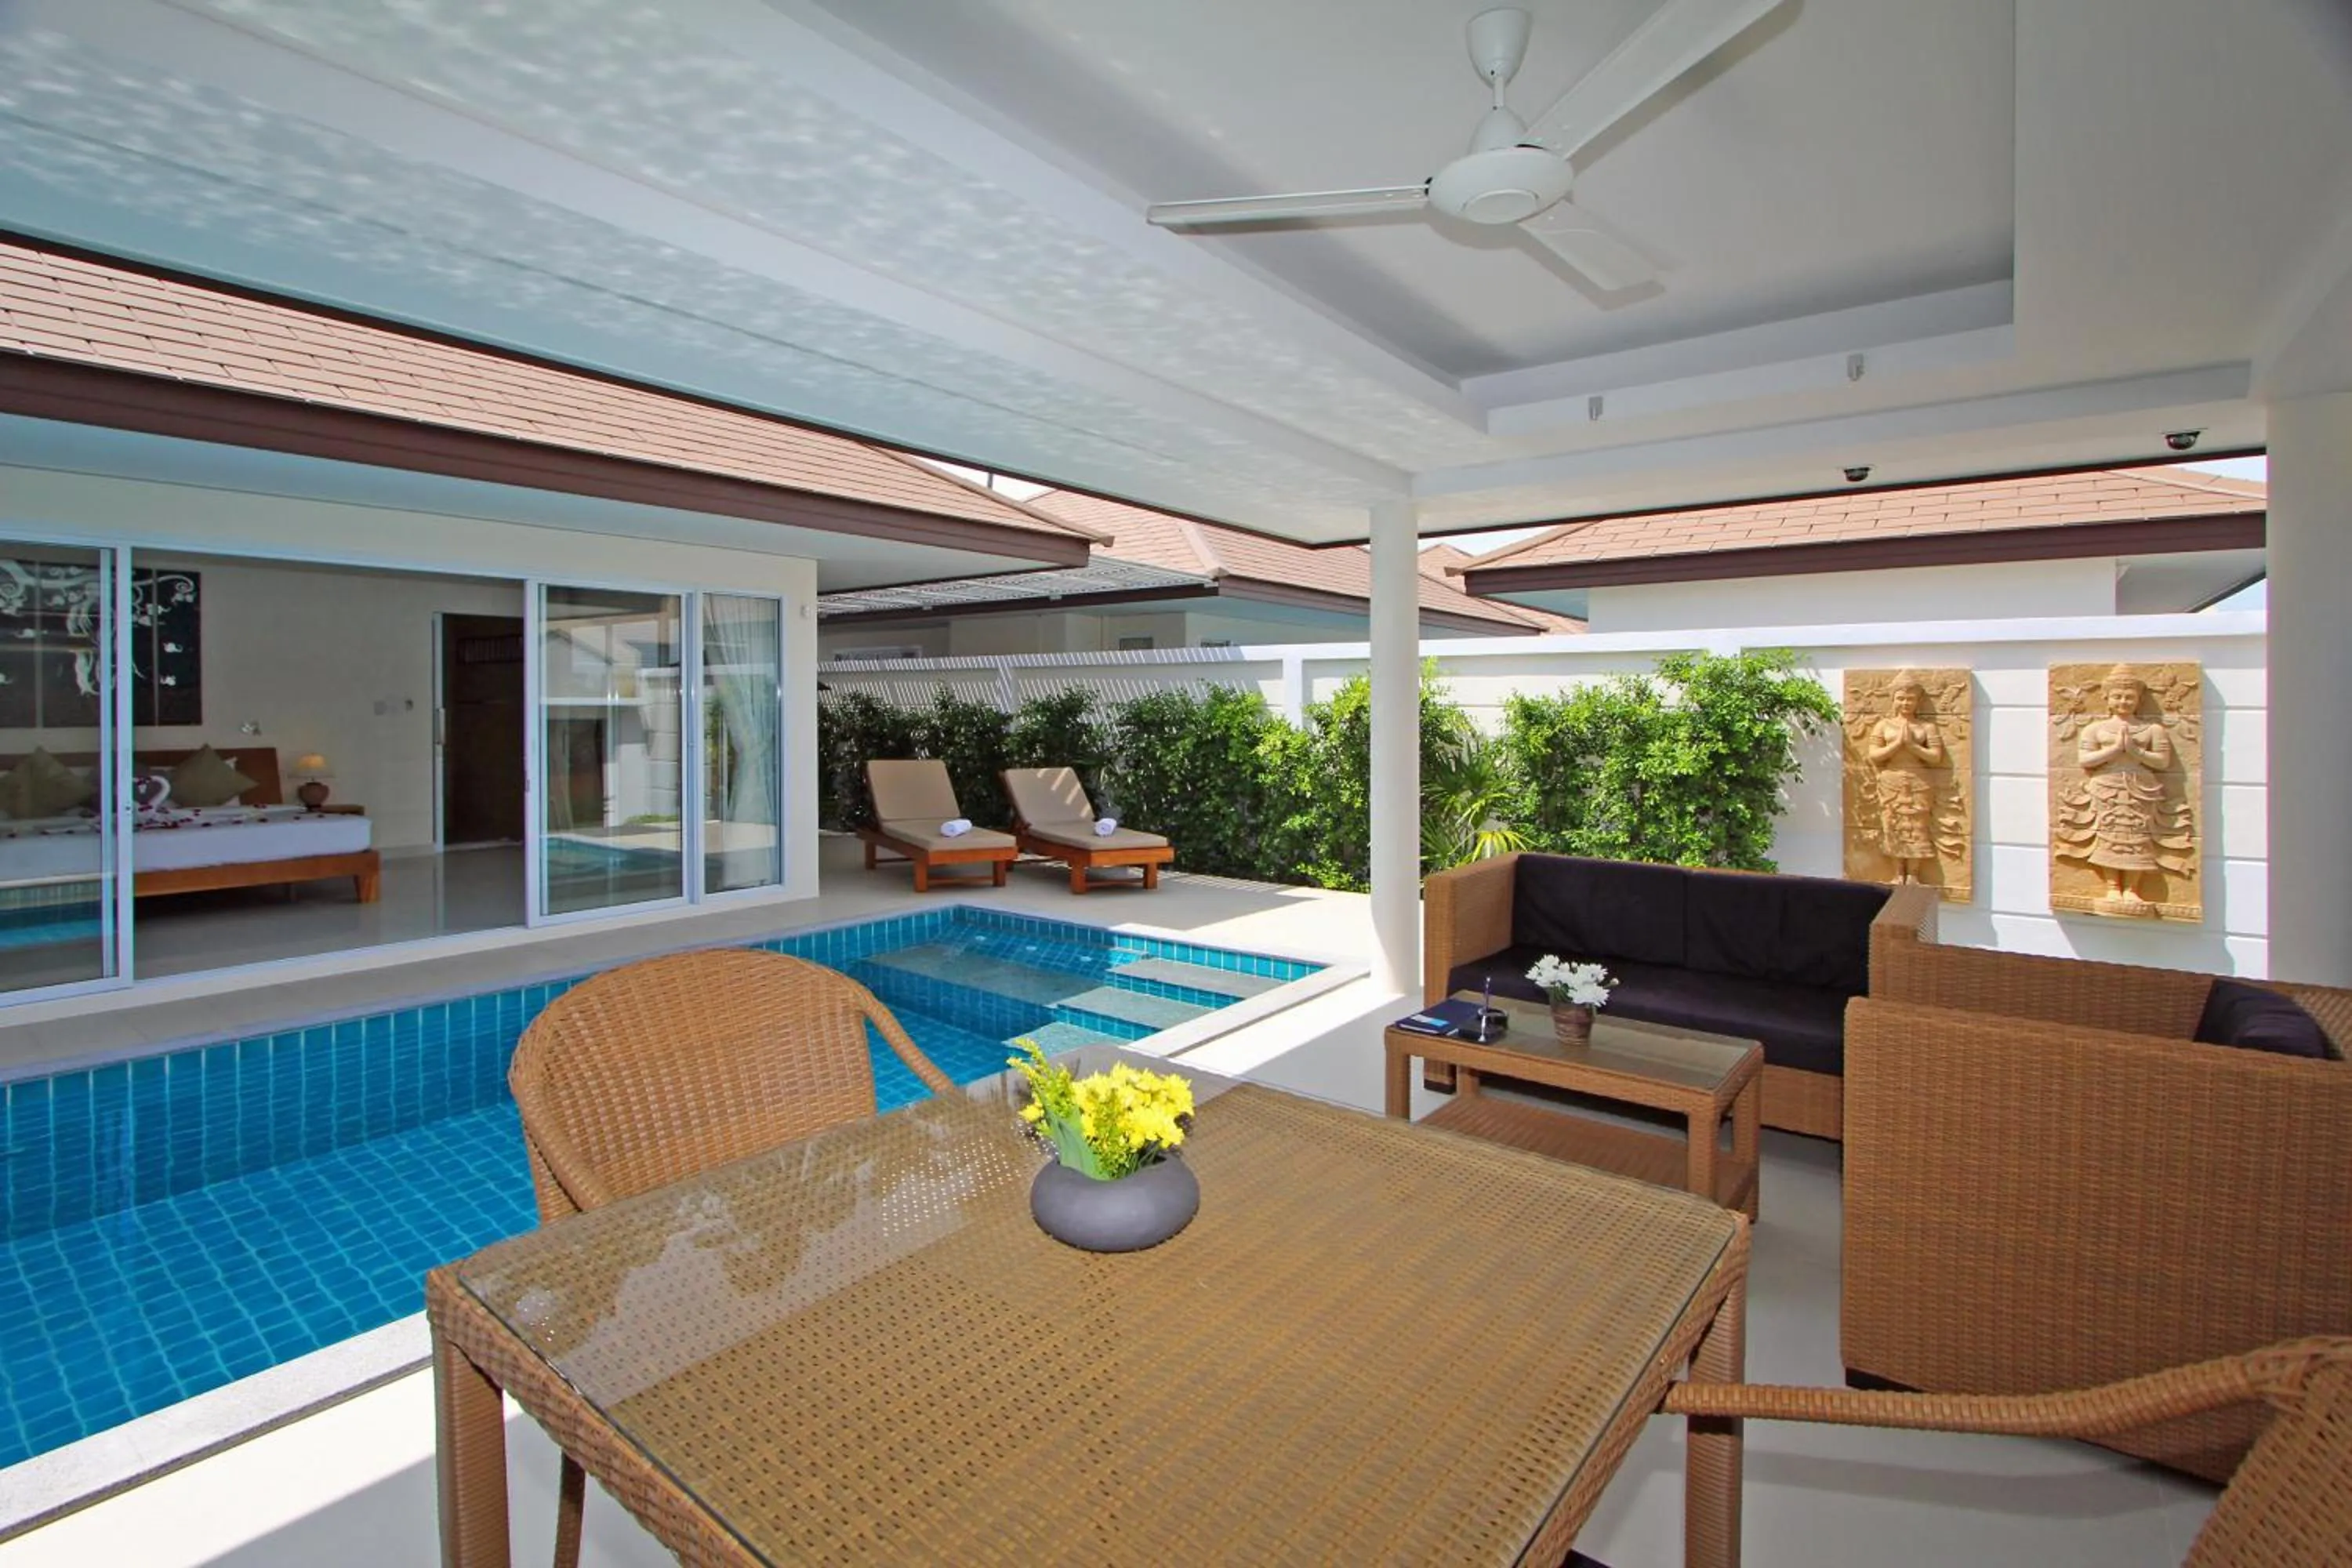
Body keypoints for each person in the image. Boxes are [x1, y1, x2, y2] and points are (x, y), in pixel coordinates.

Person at [2073, 666, 2173, 907]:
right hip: (2106, 787)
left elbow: (2162, 762)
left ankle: (2131, 888)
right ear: (2107, 698)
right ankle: (2112, 887)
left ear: (2139, 700)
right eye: (2117, 696)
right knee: (2109, 835)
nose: (2124, 701)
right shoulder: (2095, 729)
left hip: (2141, 788)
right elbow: (2085, 760)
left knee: (2136, 837)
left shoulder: (2152, 730)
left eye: (2129, 697)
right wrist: (2115, 750)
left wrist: (2136, 751)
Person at [1864, 673, 1944, 884]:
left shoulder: (1926, 727)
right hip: (1890, 780)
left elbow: (1936, 757)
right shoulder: (1884, 725)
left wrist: (1913, 746)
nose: (1905, 703)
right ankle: (1898, 873)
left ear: (1918, 701)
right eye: (1901, 698)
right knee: (1893, 825)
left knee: (1917, 826)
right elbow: (1874, 756)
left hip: (1919, 779)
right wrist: (1897, 744)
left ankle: (1914, 875)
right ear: (1893, 699)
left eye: (1910, 699)